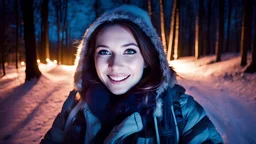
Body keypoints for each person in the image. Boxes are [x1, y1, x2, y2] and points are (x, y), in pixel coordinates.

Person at [41, 4, 223, 144]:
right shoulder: (74, 106)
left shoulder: (182, 112)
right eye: (104, 52)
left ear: (147, 58)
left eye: (129, 51)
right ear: (91, 58)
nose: (115, 65)